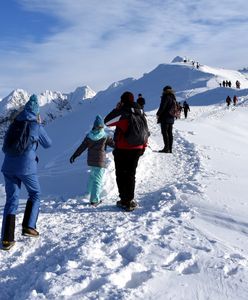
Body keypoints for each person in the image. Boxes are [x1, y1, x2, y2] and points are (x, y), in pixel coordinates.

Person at [1, 94, 52, 250]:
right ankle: (29, 227)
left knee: (12, 199)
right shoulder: (35, 125)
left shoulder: (14, 123)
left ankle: (7, 239)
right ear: (36, 112)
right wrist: (39, 125)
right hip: (26, 168)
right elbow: (48, 144)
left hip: (8, 166)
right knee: (35, 193)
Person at [104, 91, 147, 211]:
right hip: (137, 148)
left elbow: (107, 122)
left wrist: (117, 109)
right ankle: (130, 199)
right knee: (131, 174)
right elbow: (145, 131)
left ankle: (125, 201)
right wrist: (144, 146)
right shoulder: (141, 112)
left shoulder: (123, 113)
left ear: (122, 101)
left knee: (121, 174)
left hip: (123, 148)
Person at [69, 115, 114, 206]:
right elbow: (114, 145)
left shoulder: (89, 136)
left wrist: (75, 155)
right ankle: (94, 200)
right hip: (100, 161)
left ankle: (88, 193)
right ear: (102, 126)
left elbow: (82, 147)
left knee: (93, 177)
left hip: (91, 161)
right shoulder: (105, 136)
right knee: (97, 180)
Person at [156, 86, 176, 153]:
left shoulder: (165, 96)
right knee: (170, 133)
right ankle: (170, 149)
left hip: (165, 117)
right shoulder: (173, 97)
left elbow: (162, 107)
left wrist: (158, 114)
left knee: (165, 133)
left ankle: (166, 148)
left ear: (164, 90)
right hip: (171, 117)